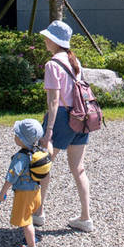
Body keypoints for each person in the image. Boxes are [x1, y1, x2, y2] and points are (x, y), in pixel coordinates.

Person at [34, 19, 94, 233]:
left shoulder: (52, 64)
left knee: (43, 164)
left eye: (46, 37)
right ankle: (85, 218)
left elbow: (53, 100)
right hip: (81, 116)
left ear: (53, 40)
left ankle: (39, 213)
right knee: (79, 168)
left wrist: (48, 131)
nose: (44, 40)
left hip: (60, 117)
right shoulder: (74, 61)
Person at [0, 118, 44, 247]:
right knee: (29, 215)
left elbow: (12, 176)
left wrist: (2, 192)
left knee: (26, 221)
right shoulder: (37, 152)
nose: (15, 137)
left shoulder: (20, 158)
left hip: (24, 194)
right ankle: (32, 236)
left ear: (23, 139)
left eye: (17, 135)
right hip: (36, 192)